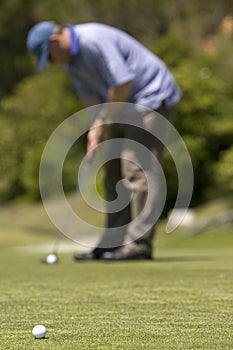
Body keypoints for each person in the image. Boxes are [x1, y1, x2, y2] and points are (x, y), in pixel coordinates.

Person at [27, 21, 181, 260]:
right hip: (121, 107)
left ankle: (139, 245)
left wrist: (103, 120)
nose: (52, 63)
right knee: (112, 173)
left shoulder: (94, 40)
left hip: (150, 97)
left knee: (137, 170)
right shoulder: (71, 63)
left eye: (49, 56)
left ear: (55, 42)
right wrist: (95, 129)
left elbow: (122, 81)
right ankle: (114, 241)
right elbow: (91, 97)